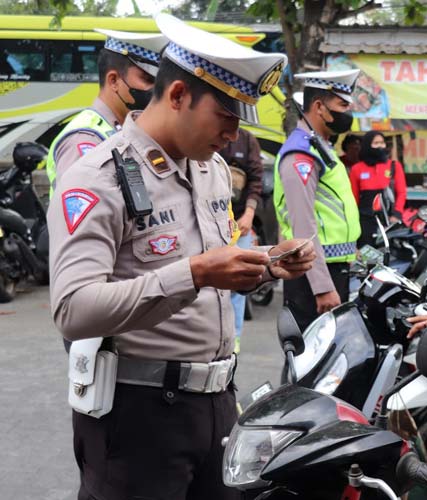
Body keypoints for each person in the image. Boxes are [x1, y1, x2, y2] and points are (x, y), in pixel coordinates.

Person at [48, 14, 315, 499]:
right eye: (226, 118)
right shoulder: (97, 177)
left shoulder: (209, 168)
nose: (234, 136)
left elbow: (213, 261)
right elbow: (72, 310)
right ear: (176, 97)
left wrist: (269, 261)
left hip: (215, 401)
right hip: (138, 413)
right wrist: (191, 274)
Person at [273, 69, 362, 332]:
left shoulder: (321, 147)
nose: (349, 113)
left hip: (332, 270)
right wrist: (322, 287)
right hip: (311, 277)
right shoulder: (301, 154)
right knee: (311, 362)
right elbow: (304, 227)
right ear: (319, 107)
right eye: (342, 105)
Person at [46, 29, 167, 197]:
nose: (154, 90)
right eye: (147, 80)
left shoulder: (131, 130)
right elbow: (84, 217)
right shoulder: (84, 139)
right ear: (114, 81)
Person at [219, 127, 264, 353]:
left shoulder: (247, 140)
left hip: (239, 223)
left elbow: (257, 180)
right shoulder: (206, 134)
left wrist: (249, 214)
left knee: (239, 281)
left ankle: (234, 338)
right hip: (213, 222)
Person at [349, 130, 407, 246]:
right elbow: (353, 199)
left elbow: (401, 193)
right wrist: (353, 220)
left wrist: (396, 214)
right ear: (367, 145)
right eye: (375, 143)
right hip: (365, 220)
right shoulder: (357, 169)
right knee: (367, 254)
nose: (380, 146)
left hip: (389, 219)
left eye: (382, 143)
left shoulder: (394, 166)